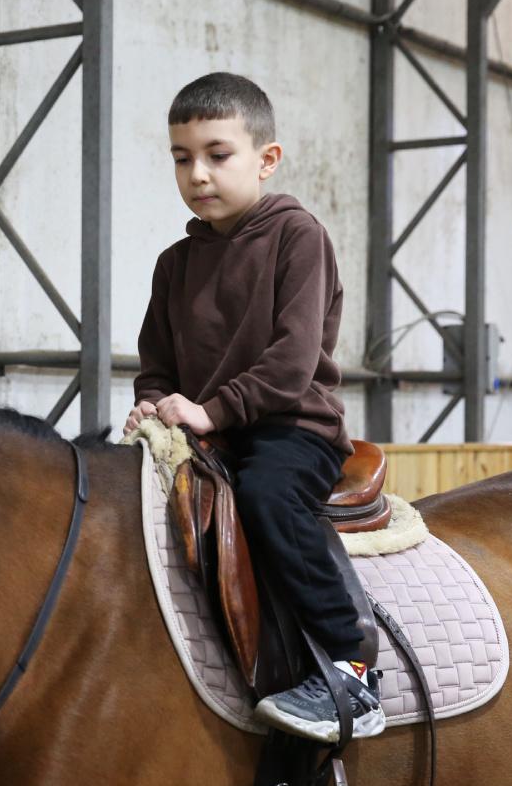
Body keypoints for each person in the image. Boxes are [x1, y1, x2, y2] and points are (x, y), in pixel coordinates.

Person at [125, 73, 384, 744]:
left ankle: (353, 670)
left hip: (288, 427)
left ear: (266, 159)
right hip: (213, 433)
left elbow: (294, 361)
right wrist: (152, 407)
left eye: (217, 154)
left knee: (268, 496)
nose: (197, 172)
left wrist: (213, 410)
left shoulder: (297, 237)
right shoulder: (174, 264)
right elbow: (156, 364)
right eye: (182, 157)